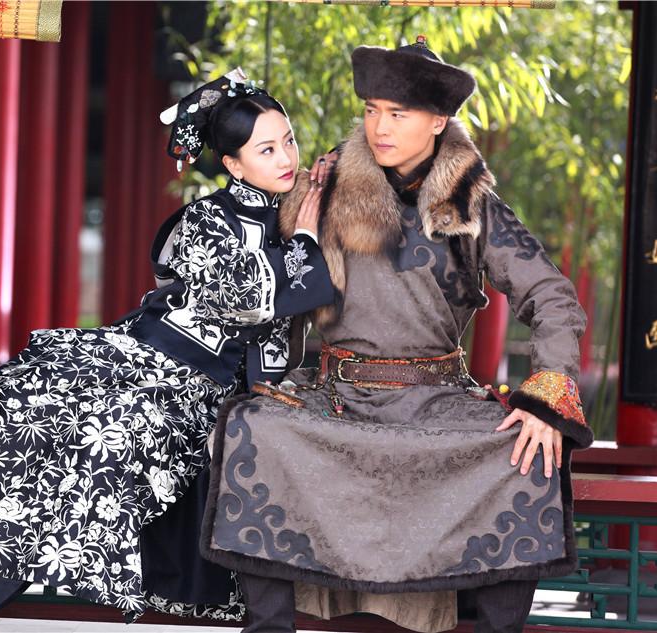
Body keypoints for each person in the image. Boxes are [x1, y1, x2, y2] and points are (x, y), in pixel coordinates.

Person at [0, 69, 336, 632]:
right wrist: (305, 239)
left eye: (289, 141)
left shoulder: (288, 216)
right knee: (29, 417)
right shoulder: (210, 218)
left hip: (203, 390)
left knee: (97, 450)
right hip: (158, 364)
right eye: (266, 149)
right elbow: (250, 297)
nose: (286, 158)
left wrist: (305, 228)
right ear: (233, 164)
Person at [201, 37, 593, 633]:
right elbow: (256, 264)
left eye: (398, 113)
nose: (380, 127)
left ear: (438, 122)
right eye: (372, 110)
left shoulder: (473, 204)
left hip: (437, 399)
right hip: (337, 396)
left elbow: (553, 297)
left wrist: (547, 397)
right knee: (255, 428)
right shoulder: (323, 187)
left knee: (527, 453)